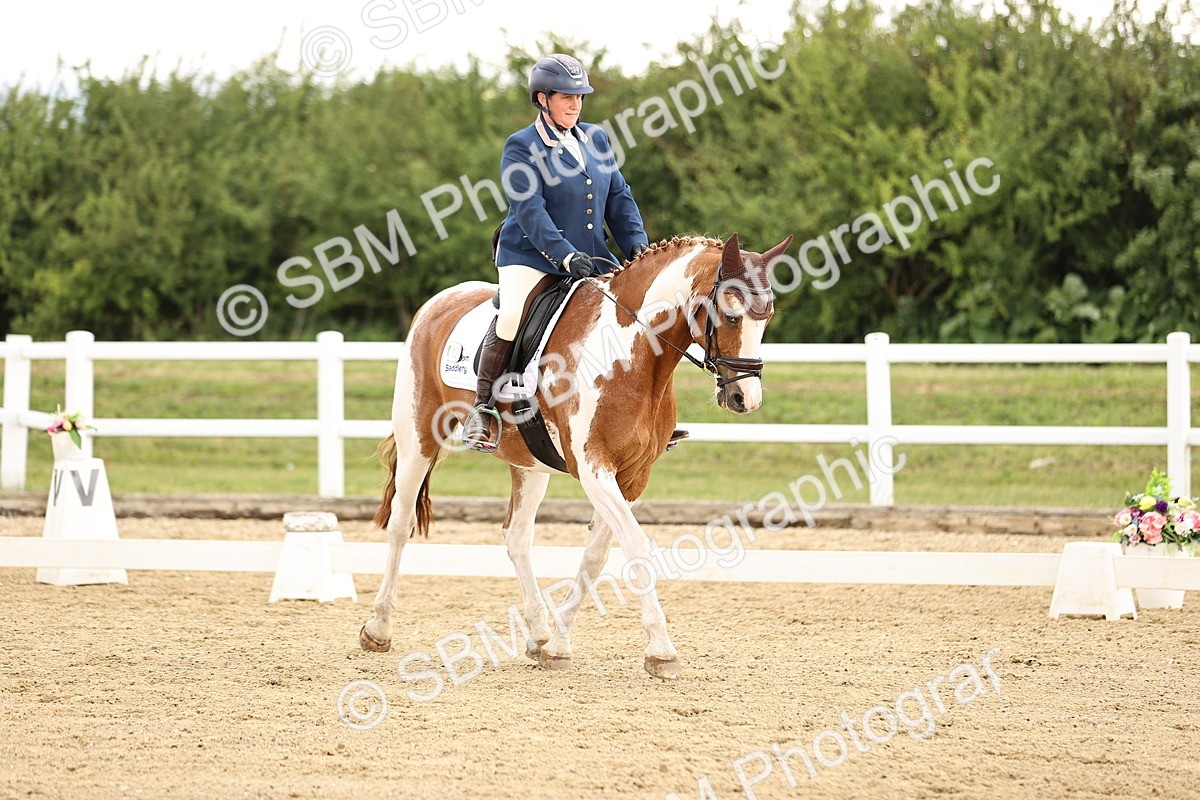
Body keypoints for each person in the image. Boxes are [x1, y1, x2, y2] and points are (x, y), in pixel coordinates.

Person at [463, 53, 651, 452]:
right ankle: (483, 409)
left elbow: (619, 198)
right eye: (566, 96)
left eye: (580, 96)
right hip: (530, 256)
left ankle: (647, 414)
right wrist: (564, 257)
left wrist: (639, 251)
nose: (575, 104)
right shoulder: (521, 146)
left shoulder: (596, 138)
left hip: (592, 256)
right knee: (512, 315)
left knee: (638, 313)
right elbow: (529, 211)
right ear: (542, 99)